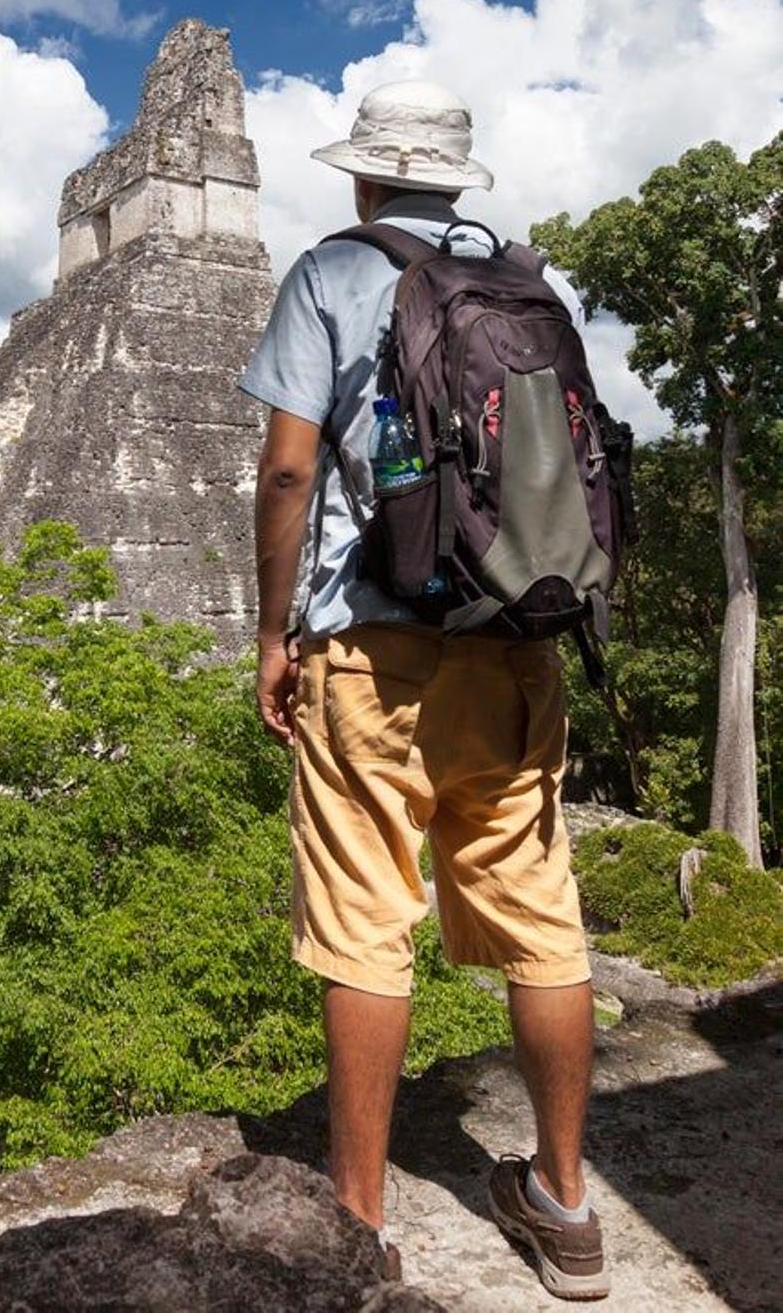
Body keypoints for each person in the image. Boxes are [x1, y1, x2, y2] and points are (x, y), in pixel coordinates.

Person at [239, 80, 610, 1301]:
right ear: (455, 176)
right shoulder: (525, 283)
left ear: (365, 173)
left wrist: (271, 633)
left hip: (374, 643)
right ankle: (565, 1206)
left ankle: (361, 1225)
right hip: (518, 636)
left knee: (363, 923)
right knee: (542, 918)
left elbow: (290, 473)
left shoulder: (333, 272)